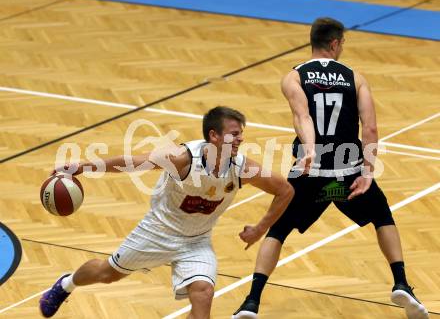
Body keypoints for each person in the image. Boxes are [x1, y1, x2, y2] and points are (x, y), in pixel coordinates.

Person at [232, 18, 428, 319]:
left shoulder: (293, 77)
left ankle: (251, 302)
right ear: (335, 43)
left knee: (278, 230)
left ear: (314, 41)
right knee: (382, 216)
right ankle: (401, 282)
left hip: (310, 174)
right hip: (348, 172)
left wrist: (310, 150)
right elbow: (371, 129)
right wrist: (367, 173)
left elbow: (302, 116)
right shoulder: (355, 77)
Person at [39, 106, 294, 319]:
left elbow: (285, 190)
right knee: (107, 274)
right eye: (234, 134)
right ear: (214, 136)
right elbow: (130, 162)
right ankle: (66, 284)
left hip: (197, 241)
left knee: (203, 293)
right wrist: (83, 166)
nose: (241, 139)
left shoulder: (242, 168)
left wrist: (260, 229)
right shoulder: (182, 158)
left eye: (241, 134)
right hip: (157, 231)